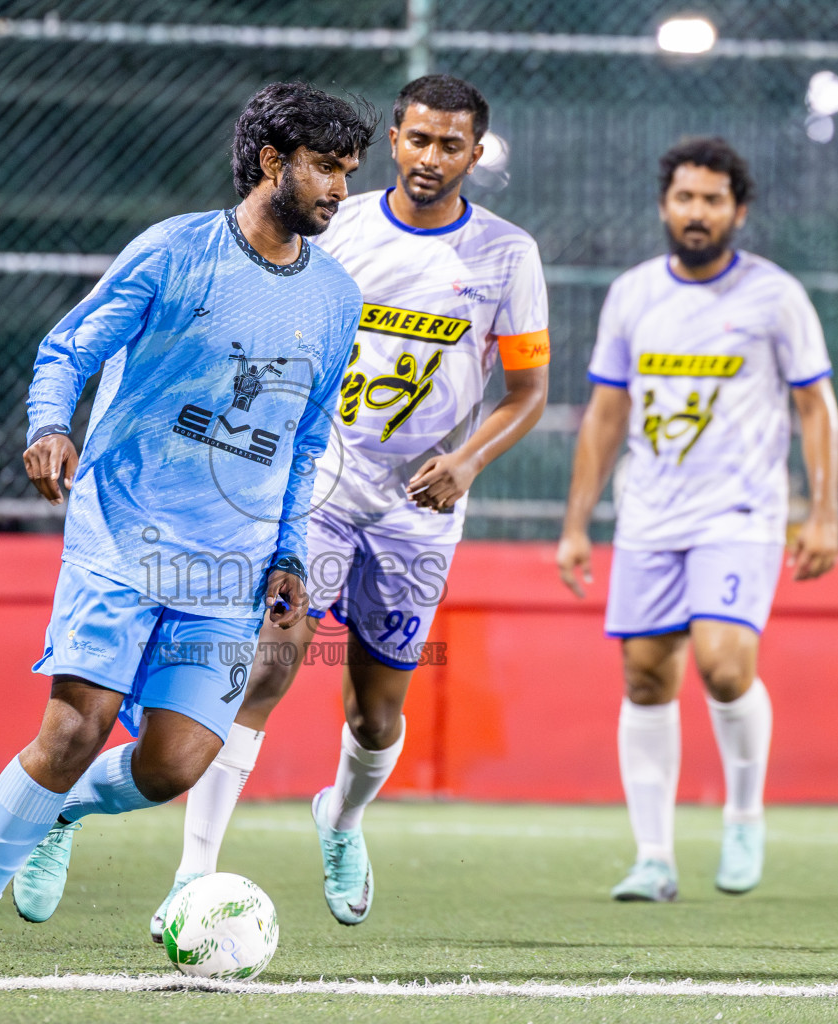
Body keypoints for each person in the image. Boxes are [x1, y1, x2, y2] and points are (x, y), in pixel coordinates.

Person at [0, 81, 376, 977]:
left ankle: (59, 817)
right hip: (124, 533)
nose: (340, 191)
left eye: (350, 172)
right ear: (274, 162)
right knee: (75, 729)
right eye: (326, 168)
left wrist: (286, 549)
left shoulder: (335, 297)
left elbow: (306, 436)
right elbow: (68, 348)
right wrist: (50, 425)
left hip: (230, 567)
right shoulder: (175, 252)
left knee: (172, 767)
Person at [150, 73, 551, 937]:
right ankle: (192, 876)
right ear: (395, 141)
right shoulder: (341, 228)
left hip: (420, 508)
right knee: (268, 662)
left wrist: (468, 461)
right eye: (415, 138)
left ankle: (341, 820)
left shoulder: (508, 256)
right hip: (322, 485)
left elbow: (527, 391)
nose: (429, 157)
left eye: (450, 144)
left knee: (376, 711)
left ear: (476, 155)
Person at [556, 136, 838, 903]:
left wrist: (824, 512)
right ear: (664, 205)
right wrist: (577, 522)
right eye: (685, 197)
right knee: (646, 677)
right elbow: (606, 413)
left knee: (722, 664)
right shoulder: (633, 294)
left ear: (737, 211)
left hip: (741, 513)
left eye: (713, 199)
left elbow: (815, 405)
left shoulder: (775, 296)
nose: (697, 211)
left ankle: (744, 816)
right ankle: (654, 857)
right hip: (649, 515)